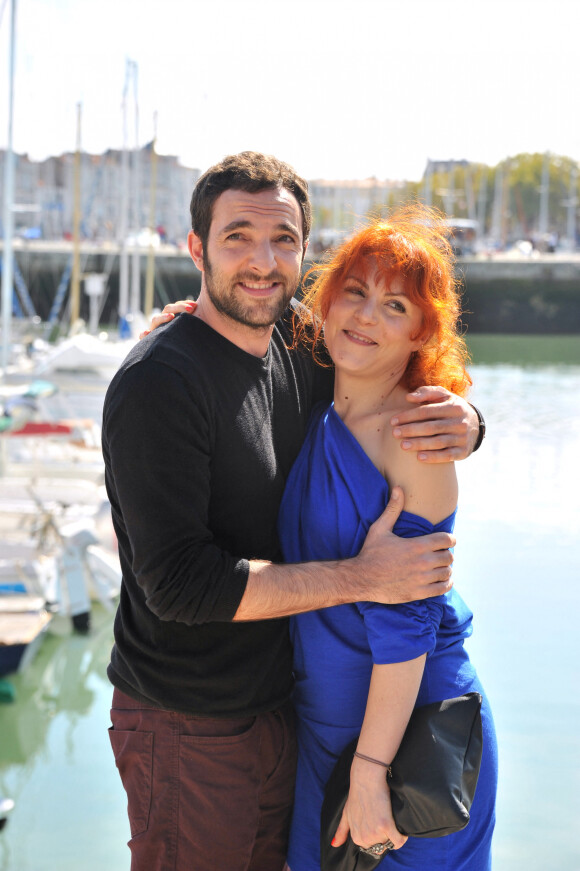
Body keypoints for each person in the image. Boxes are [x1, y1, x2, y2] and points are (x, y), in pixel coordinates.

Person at [103, 152, 484, 871]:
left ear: (304, 253)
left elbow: (393, 362)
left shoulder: (299, 343)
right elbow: (185, 585)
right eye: (237, 236)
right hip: (190, 722)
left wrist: (468, 421)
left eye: (282, 239)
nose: (261, 260)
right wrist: (364, 577)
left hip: (290, 714)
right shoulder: (161, 382)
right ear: (196, 248)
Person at [277, 207, 497, 870]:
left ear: (420, 333)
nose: (366, 316)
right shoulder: (316, 399)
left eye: (394, 305)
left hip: (414, 745)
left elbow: (408, 620)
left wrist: (372, 771)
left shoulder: (419, 435)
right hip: (324, 729)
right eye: (356, 291)